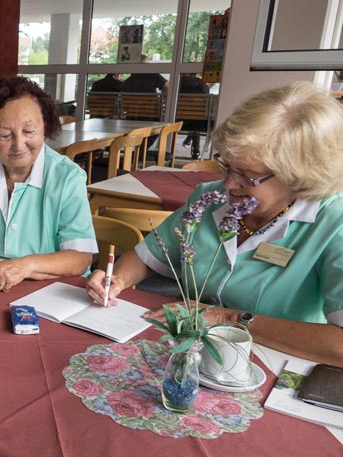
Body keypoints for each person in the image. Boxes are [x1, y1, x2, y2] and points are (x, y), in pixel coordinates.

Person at [87, 81, 343, 367]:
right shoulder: (208, 198)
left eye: (247, 176)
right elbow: (148, 256)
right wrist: (118, 280)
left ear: (301, 175)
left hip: (274, 369)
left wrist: (229, 318)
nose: (228, 183)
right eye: (227, 166)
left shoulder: (335, 224)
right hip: (192, 356)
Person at [0, 76, 97, 292]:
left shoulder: (67, 177)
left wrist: (25, 266)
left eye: (29, 131)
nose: (18, 145)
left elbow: (80, 257)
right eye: (5, 135)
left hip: (51, 291)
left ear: (45, 128)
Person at [178, 73, 211, 159]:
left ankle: (189, 141)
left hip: (179, 122)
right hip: (199, 124)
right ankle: (195, 150)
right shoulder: (202, 84)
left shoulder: (177, 83)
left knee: (193, 119)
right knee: (196, 120)